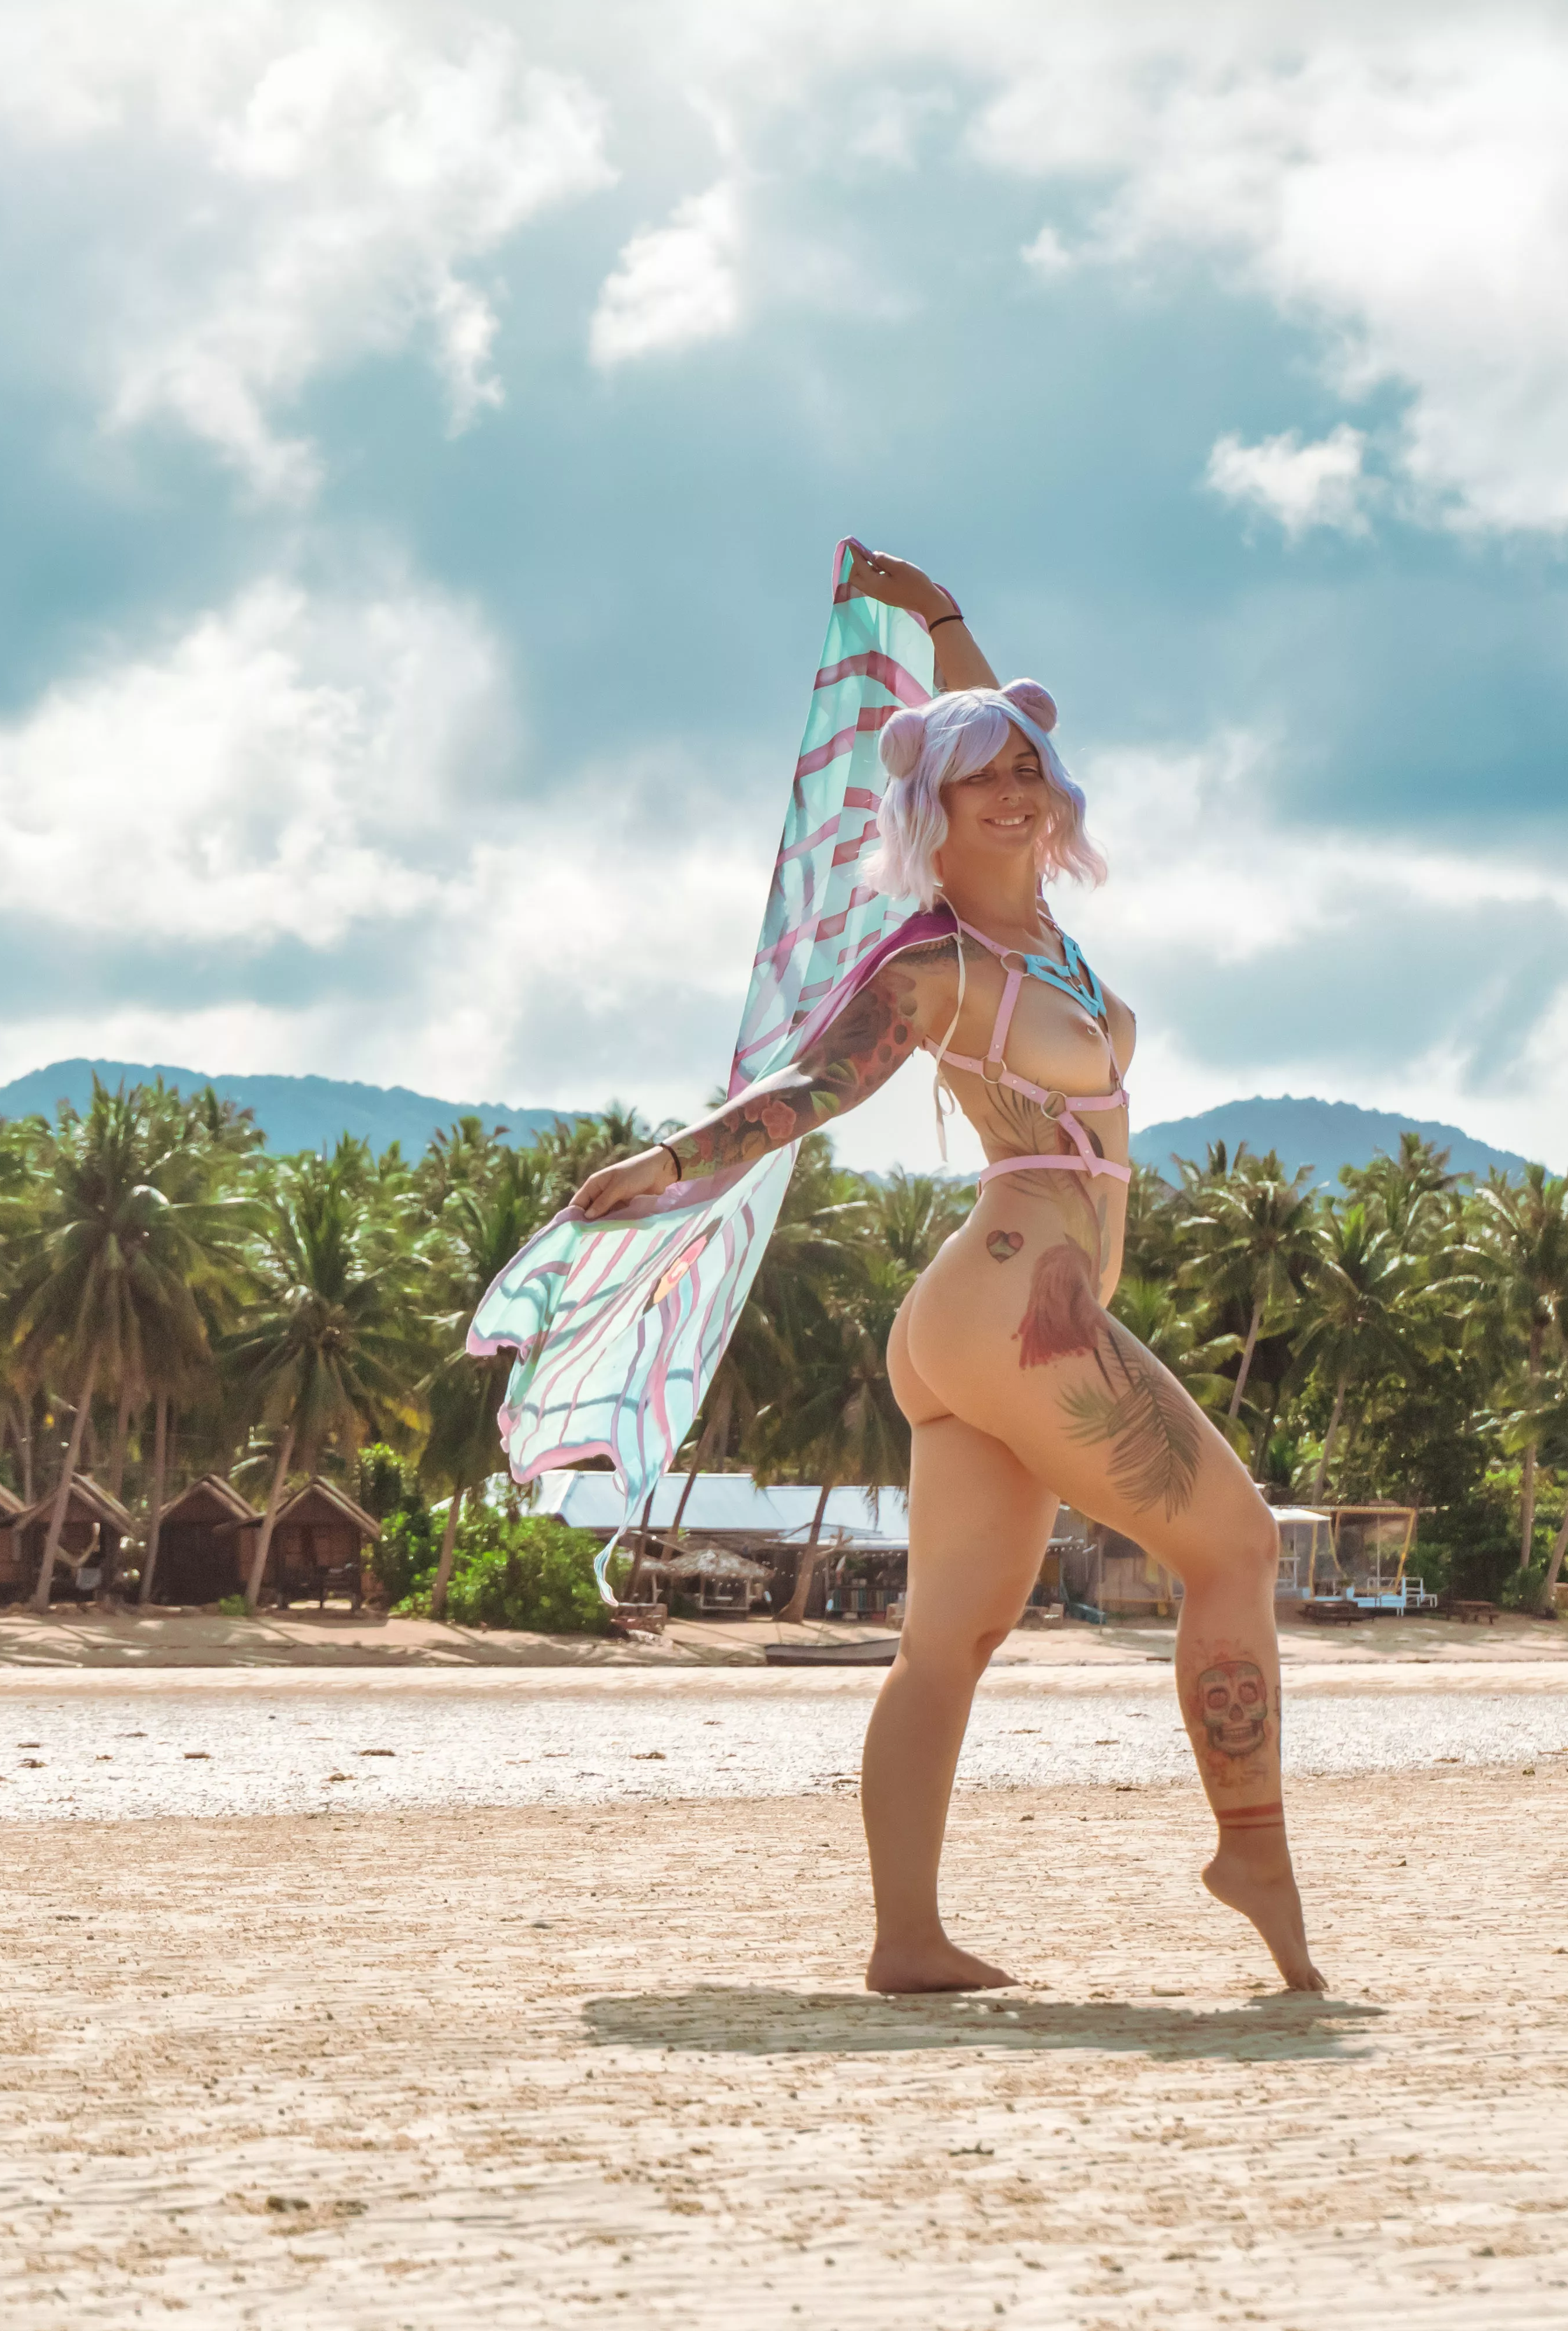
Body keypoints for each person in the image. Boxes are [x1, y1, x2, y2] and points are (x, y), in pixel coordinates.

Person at [573, 549, 1322, 1995]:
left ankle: (905, 1939)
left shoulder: (1041, 932)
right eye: (983, 780)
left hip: (979, 1327)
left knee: (950, 1644)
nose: (1017, 790)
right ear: (934, 806)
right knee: (1236, 1547)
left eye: (1031, 770)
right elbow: (811, 1085)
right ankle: (1251, 1844)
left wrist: (939, 618)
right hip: (1014, 1304)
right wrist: (672, 1165)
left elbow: (986, 721)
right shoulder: (940, 966)